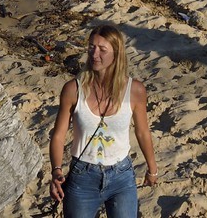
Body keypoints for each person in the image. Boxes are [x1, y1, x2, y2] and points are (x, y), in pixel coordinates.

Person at [48, 23, 157, 217]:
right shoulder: (73, 90)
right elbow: (58, 135)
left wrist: (152, 169)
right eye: (91, 47)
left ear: (116, 53)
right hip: (82, 177)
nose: (94, 54)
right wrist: (56, 170)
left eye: (102, 49)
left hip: (121, 176)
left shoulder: (135, 90)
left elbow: (142, 132)